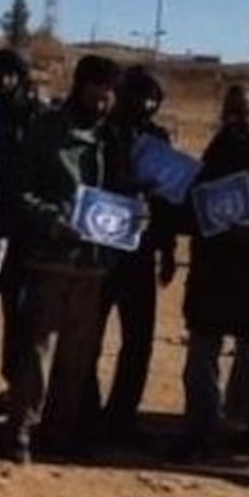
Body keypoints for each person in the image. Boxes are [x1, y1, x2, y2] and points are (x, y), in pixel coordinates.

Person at [9, 55, 123, 463]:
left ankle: (60, 434)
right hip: (51, 258)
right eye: (95, 92)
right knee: (39, 350)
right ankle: (22, 429)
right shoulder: (47, 131)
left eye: (108, 95)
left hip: (94, 264)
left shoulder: (116, 138)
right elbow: (20, 191)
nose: (101, 102)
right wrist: (53, 222)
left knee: (78, 355)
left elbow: (129, 195)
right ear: (80, 88)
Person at [83, 66, 177, 444]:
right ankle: (85, 413)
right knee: (89, 338)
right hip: (101, 246)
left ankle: (122, 417)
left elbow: (169, 199)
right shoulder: (102, 132)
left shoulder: (159, 139)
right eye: (141, 96)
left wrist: (168, 249)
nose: (148, 104)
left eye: (154, 98)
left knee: (138, 342)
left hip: (142, 251)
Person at [174, 83, 249, 460]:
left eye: (245, 112)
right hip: (212, 270)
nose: (237, 118)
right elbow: (194, 202)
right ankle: (200, 429)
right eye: (231, 111)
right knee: (201, 352)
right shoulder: (216, 151)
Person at [0, 48, 45, 407]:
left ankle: (14, 389)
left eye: (8, 74)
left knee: (20, 320)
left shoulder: (35, 116)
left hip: (22, 232)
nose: (1, 81)